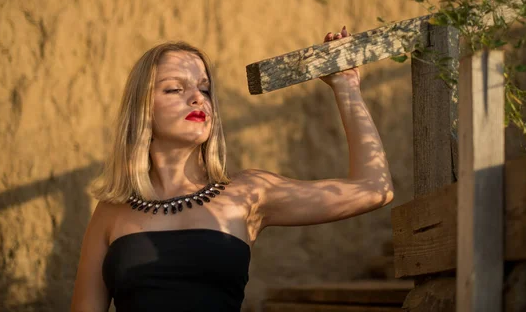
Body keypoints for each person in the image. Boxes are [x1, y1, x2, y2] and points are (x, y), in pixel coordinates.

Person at [70, 28, 394, 312]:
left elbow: (374, 188)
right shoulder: (111, 212)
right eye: (175, 89)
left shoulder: (248, 193)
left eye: (204, 88)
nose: (198, 98)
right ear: (142, 108)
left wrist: (347, 88)